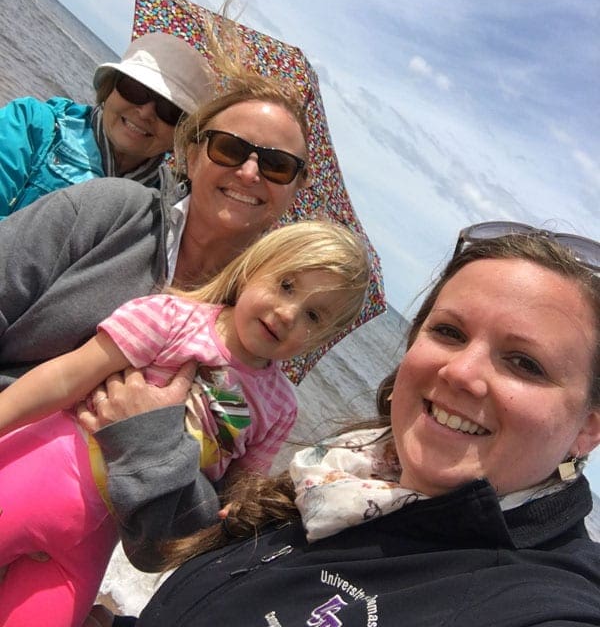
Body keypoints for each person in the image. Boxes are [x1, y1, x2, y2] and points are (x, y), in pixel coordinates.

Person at [95, 222, 600, 627]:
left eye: (524, 364)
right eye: (448, 332)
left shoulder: (539, 602)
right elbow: (188, 554)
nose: (462, 373)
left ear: (589, 428)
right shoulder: (344, 478)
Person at [0, 220, 369, 627]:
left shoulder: (281, 407)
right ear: (254, 266)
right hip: (46, 471)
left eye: (313, 315)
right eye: (286, 285)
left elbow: (240, 490)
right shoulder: (173, 318)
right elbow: (66, 377)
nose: (288, 313)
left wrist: (235, 521)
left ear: (321, 339)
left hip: (101, 536)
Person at [0, 31, 214, 217]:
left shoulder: (169, 210)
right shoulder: (33, 124)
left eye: (170, 111)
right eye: (135, 89)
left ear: (181, 134)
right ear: (109, 87)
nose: (146, 112)